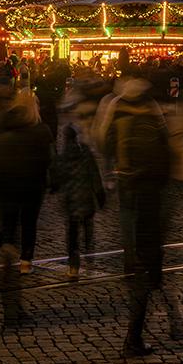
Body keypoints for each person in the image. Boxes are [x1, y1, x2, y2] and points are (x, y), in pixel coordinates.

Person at [106, 76, 183, 357]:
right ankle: (136, 336)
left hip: (129, 187)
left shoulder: (117, 110)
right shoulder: (155, 119)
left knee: (141, 256)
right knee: (150, 264)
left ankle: (146, 326)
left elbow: (105, 140)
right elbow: (168, 160)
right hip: (150, 197)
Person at [0, 92, 55, 276]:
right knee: (29, 222)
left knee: (8, 218)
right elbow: (49, 160)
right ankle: (26, 260)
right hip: (32, 183)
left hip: (6, 180)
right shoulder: (42, 131)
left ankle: (7, 246)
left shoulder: (4, 125)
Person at [54, 93, 108, 279]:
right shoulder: (86, 153)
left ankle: (73, 264)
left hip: (70, 201)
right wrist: (100, 196)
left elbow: (57, 177)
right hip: (86, 198)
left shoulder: (63, 156)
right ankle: (89, 249)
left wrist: (54, 188)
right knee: (87, 224)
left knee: (72, 232)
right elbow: (95, 177)